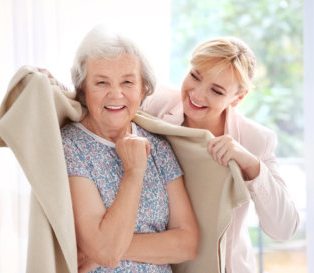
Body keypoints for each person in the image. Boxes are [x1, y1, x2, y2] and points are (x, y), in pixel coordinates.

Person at [140, 37, 299, 273]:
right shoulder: (156, 102)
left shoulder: (255, 140)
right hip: (163, 258)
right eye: (195, 76)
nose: (197, 95)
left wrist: (252, 166)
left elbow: (284, 229)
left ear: (238, 97)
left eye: (216, 90)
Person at [60, 25, 199, 273]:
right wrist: (134, 171)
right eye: (101, 82)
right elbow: (106, 252)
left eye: (127, 82)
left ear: (143, 87)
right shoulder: (70, 146)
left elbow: (187, 244)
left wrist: (105, 249)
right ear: (83, 88)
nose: (116, 94)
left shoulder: (158, 146)